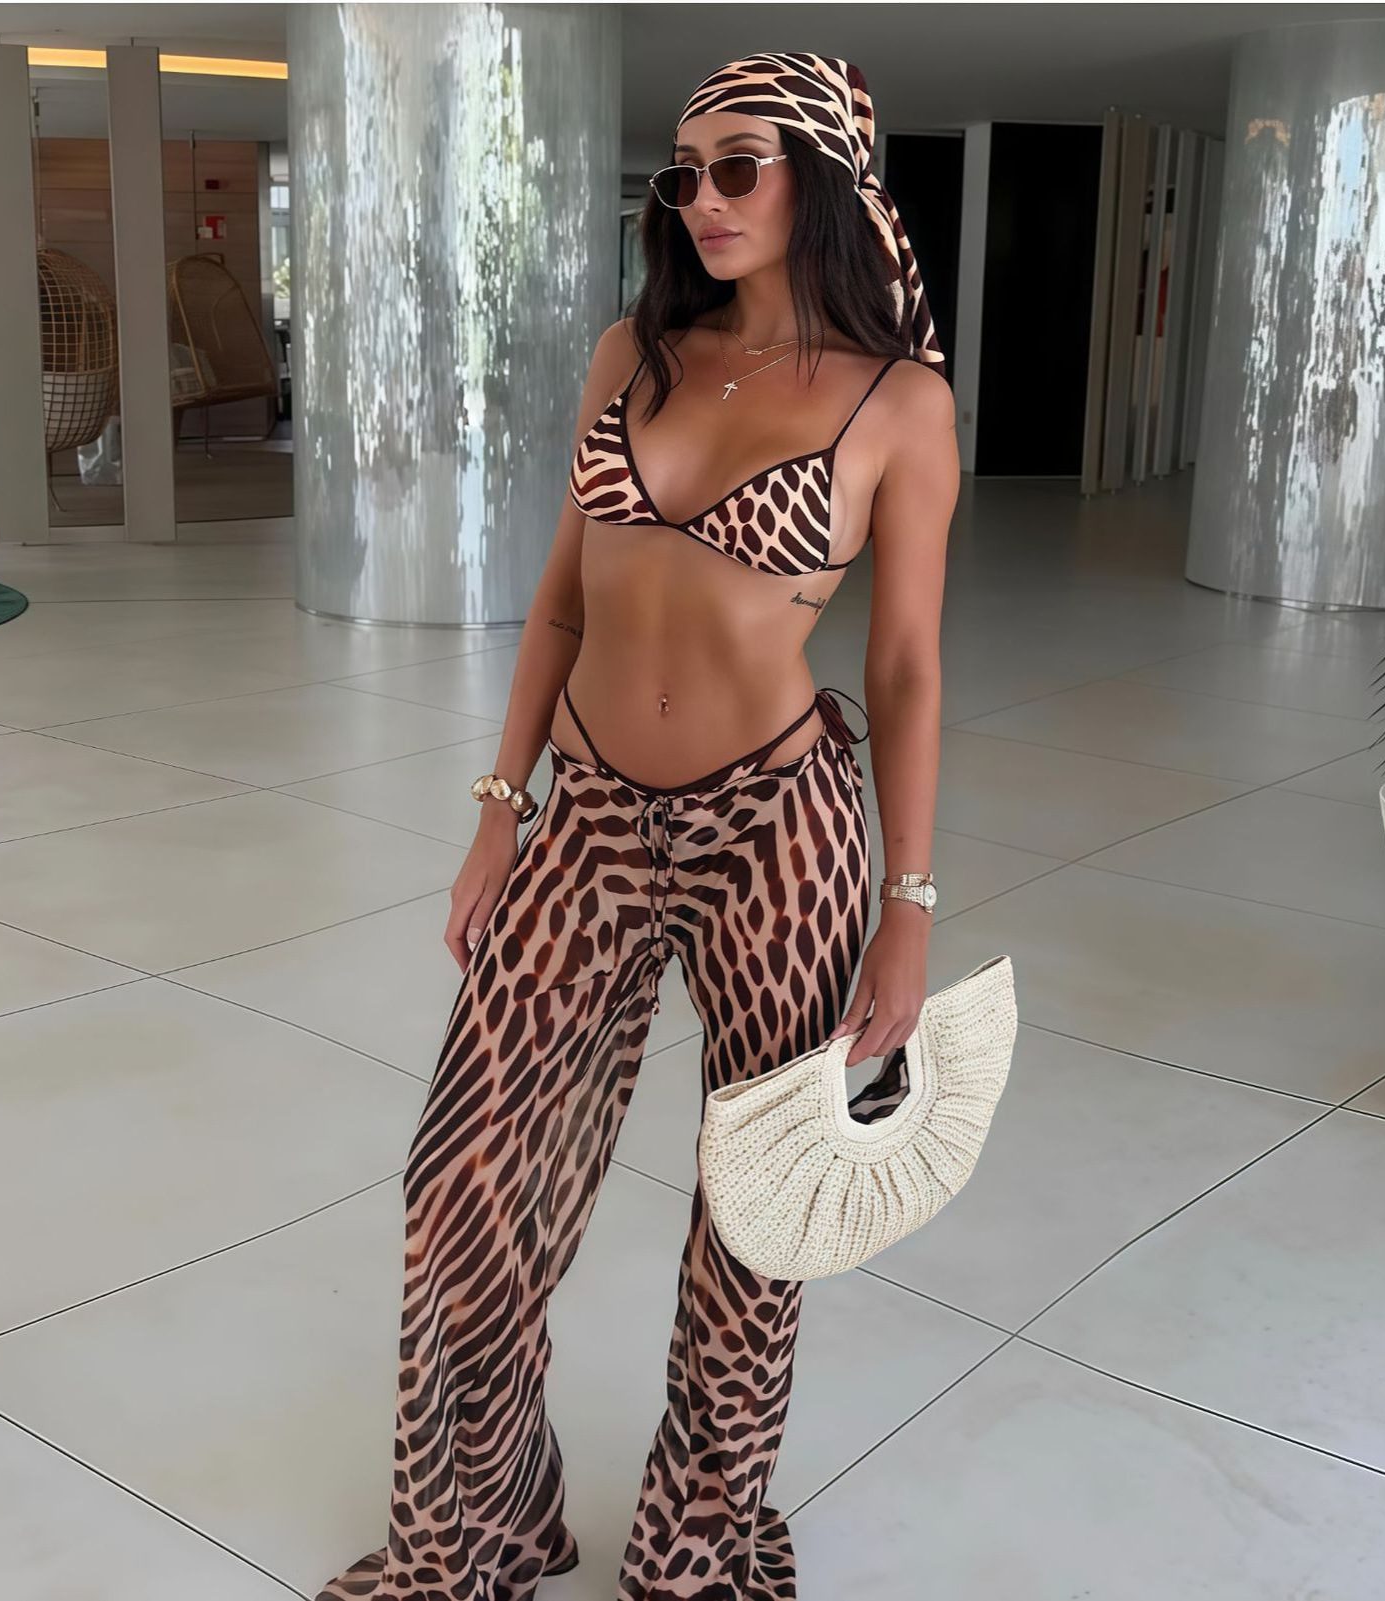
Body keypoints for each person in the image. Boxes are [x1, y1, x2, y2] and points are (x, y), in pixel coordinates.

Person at [317, 49, 957, 1601]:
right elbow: (557, 601)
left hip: (779, 830)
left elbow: (905, 667)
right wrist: (498, 813)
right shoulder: (633, 352)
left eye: (738, 166)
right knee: (462, 1174)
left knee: (753, 1209)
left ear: (821, 179)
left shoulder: (899, 401)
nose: (702, 199)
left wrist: (907, 901)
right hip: (590, 810)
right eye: (683, 173)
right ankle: (477, 1529)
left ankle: (692, 1543)